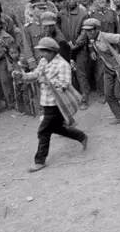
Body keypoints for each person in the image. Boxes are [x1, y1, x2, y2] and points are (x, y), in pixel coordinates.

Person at [12, 37, 88, 172]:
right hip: (46, 102)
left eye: (44, 51)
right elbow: (35, 75)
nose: (42, 54)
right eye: (41, 51)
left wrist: (49, 82)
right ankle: (81, 136)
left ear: (52, 51)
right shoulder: (43, 61)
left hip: (57, 103)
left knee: (43, 131)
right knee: (56, 128)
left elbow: (65, 84)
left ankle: (39, 160)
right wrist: (22, 75)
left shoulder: (62, 64)